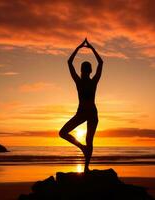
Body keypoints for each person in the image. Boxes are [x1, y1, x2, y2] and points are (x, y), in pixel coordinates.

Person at [59, 38, 103, 173]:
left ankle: (85, 167)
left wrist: (78, 49)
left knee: (86, 140)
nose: (84, 71)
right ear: (89, 70)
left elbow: (69, 62)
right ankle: (84, 161)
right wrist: (91, 48)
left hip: (87, 113)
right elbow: (100, 62)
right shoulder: (90, 81)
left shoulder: (82, 81)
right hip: (87, 113)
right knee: (66, 134)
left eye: (84, 69)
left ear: (85, 70)